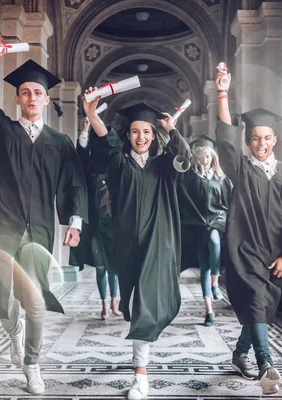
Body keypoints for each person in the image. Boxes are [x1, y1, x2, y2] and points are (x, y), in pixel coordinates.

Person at [0, 41, 87, 395]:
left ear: (47, 100)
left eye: (38, 92)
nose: (32, 97)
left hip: (37, 228)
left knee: (36, 298)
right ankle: (13, 330)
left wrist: (75, 222)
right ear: (17, 99)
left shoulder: (60, 143)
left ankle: (32, 364)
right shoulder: (0, 129)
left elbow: (74, 184)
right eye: (25, 92)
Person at [82, 94, 190, 400]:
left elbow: (186, 161)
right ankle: (141, 361)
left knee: (145, 304)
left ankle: (139, 375)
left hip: (160, 242)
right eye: (134, 131)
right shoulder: (119, 164)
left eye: (146, 132)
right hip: (128, 244)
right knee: (136, 305)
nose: (140, 137)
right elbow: (106, 144)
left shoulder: (164, 166)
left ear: (154, 136)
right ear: (128, 135)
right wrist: (93, 116)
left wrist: (172, 132)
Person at [213, 69, 282, 394]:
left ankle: (240, 353)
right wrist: (223, 94)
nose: (261, 143)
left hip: (277, 253)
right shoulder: (240, 169)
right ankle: (266, 364)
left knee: (263, 306)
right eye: (255, 138)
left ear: (276, 139)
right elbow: (225, 138)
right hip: (245, 250)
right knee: (257, 298)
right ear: (248, 140)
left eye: (267, 137)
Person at [71, 116, 122, 320]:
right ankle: (104, 306)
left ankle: (115, 303)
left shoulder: (117, 167)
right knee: (101, 267)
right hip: (95, 227)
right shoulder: (90, 169)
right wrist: (84, 130)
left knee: (113, 269)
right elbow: (79, 158)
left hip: (113, 227)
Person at [178, 137, 232, 327]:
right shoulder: (191, 178)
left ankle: (215, 283)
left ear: (213, 157)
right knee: (203, 265)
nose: (206, 160)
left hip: (216, 220)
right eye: (202, 157)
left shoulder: (222, 179)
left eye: (209, 156)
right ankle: (209, 310)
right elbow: (184, 200)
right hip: (198, 223)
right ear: (197, 158)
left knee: (214, 242)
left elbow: (228, 202)